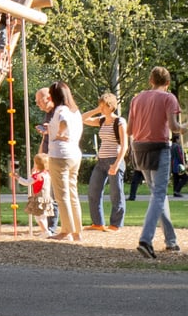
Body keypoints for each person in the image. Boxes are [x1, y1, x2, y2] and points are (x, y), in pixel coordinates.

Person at [127, 65, 188, 258]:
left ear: (150, 80)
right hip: (159, 148)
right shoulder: (168, 98)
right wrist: (185, 127)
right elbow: (174, 126)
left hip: (139, 148)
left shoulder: (137, 99)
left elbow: (129, 130)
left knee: (157, 194)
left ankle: (171, 241)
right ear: (168, 83)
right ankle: (146, 239)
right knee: (159, 194)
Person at [82, 92, 128, 231]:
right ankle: (98, 223)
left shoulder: (120, 121)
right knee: (93, 191)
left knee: (116, 193)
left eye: (103, 106)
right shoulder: (101, 120)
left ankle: (116, 224)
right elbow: (82, 119)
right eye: (100, 105)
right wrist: (97, 110)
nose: (101, 108)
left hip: (114, 160)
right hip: (101, 161)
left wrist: (116, 164)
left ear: (111, 106)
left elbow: (125, 145)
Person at [47, 81, 83, 242]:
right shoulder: (76, 111)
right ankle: (77, 231)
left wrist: (60, 133)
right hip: (75, 153)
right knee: (72, 193)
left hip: (60, 154)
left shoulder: (61, 109)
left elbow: (63, 122)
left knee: (61, 195)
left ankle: (67, 230)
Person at [35, 87, 59, 234]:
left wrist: (50, 130)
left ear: (48, 98)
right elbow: (45, 138)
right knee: (47, 193)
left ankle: (52, 227)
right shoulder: (48, 115)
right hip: (46, 158)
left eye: (39, 101)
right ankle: (49, 226)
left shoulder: (58, 113)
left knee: (54, 194)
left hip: (56, 156)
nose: (38, 104)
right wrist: (37, 160)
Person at [13, 153, 55, 238]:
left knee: (38, 217)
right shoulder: (46, 174)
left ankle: (46, 232)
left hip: (39, 198)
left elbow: (27, 182)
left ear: (37, 165)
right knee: (43, 216)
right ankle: (45, 231)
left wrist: (17, 177)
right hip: (46, 198)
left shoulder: (37, 176)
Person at [0, 0, 18, 72]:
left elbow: (9, 16)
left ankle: (5, 62)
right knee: (2, 42)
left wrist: (12, 20)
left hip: (5, 24)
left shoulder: (9, 2)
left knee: (7, 43)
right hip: (0, 23)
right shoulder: (0, 1)